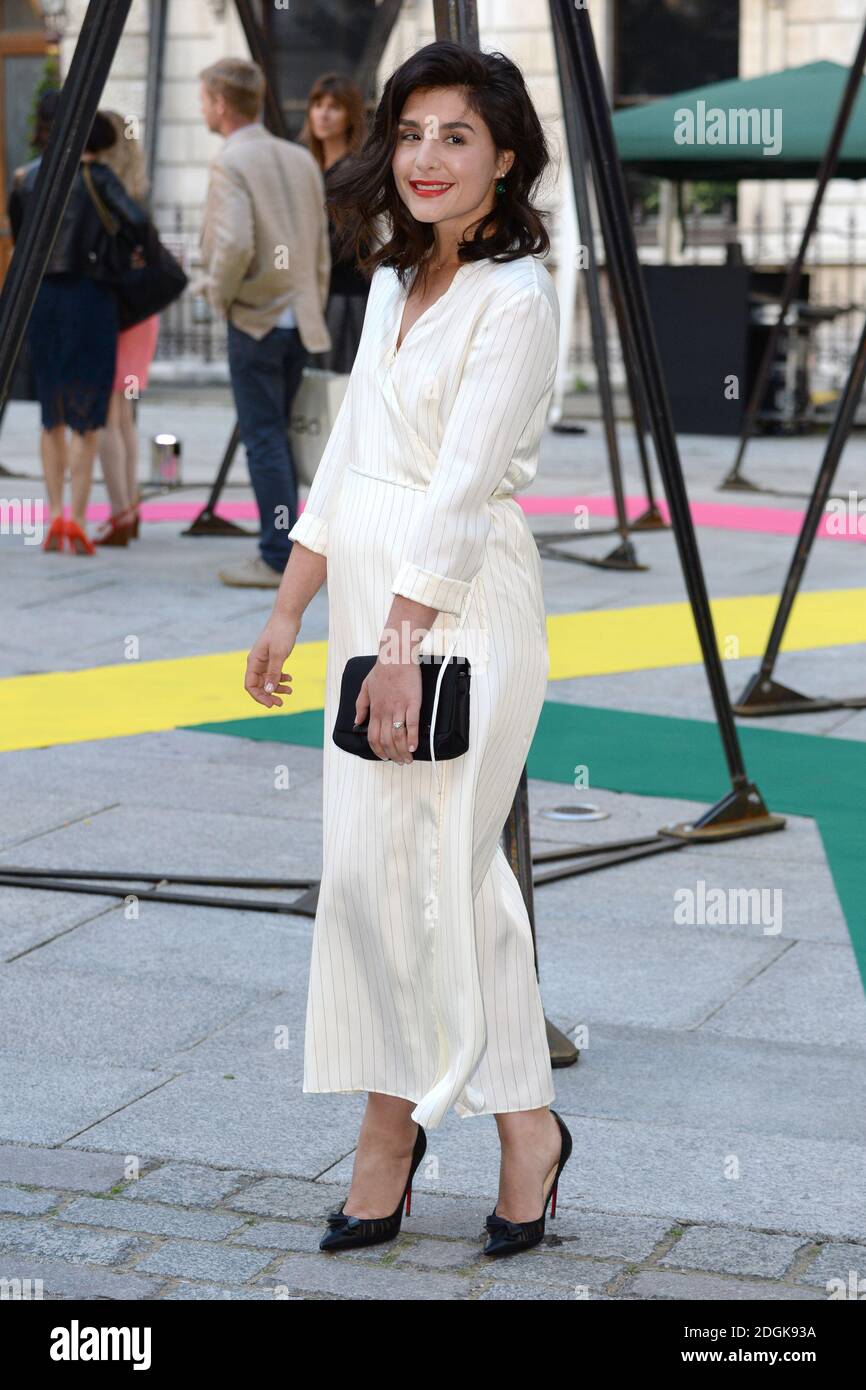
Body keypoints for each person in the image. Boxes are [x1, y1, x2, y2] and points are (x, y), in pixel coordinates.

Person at [242, 39, 573, 1260]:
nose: (428, 158)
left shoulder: (516, 299)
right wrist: (288, 604)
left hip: (456, 613)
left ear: (504, 160)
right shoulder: (392, 280)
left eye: (458, 138)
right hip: (366, 614)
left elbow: (457, 488)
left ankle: (507, 1131)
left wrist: (398, 641)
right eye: (415, 132)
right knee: (374, 879)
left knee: (446, 871)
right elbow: (345, 461)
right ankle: (400, 1131)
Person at [196, 57, 332, 588]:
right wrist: (310, 301)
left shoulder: (230, 162)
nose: (202, 108)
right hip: (302, 318)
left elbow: (232, 245)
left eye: (204, 99)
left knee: (266, 439)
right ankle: (297, 548)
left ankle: (279, 555)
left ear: (221, 104)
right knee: (287, 436)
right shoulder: (299, 158)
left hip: (257, 318)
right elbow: (319, 247)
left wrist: (218, 295)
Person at [8, 110, 149, 555]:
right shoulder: (100, 178)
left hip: (44, 298)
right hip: (92, 301)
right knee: (88, 416)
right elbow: (137, 226)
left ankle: (53, 516)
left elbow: (20, 235)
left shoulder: (28, 177)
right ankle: (78, 518)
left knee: (52, 414)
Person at [92, 109, 160, 546]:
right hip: (141, 313)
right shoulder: (137, 192)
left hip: (112, 310)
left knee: (104, 416)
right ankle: (129, 509)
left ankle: (119, 513)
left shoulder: (104, 192)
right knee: (125, 415)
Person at [298, 73, 371, 372]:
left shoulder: (353, 171)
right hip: (316, 296)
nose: (323, 114)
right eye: (317, 105)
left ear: (350, 116)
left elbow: (344, 243)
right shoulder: (310, 167)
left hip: (345, 298)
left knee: (337, 394)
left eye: (334, 107)